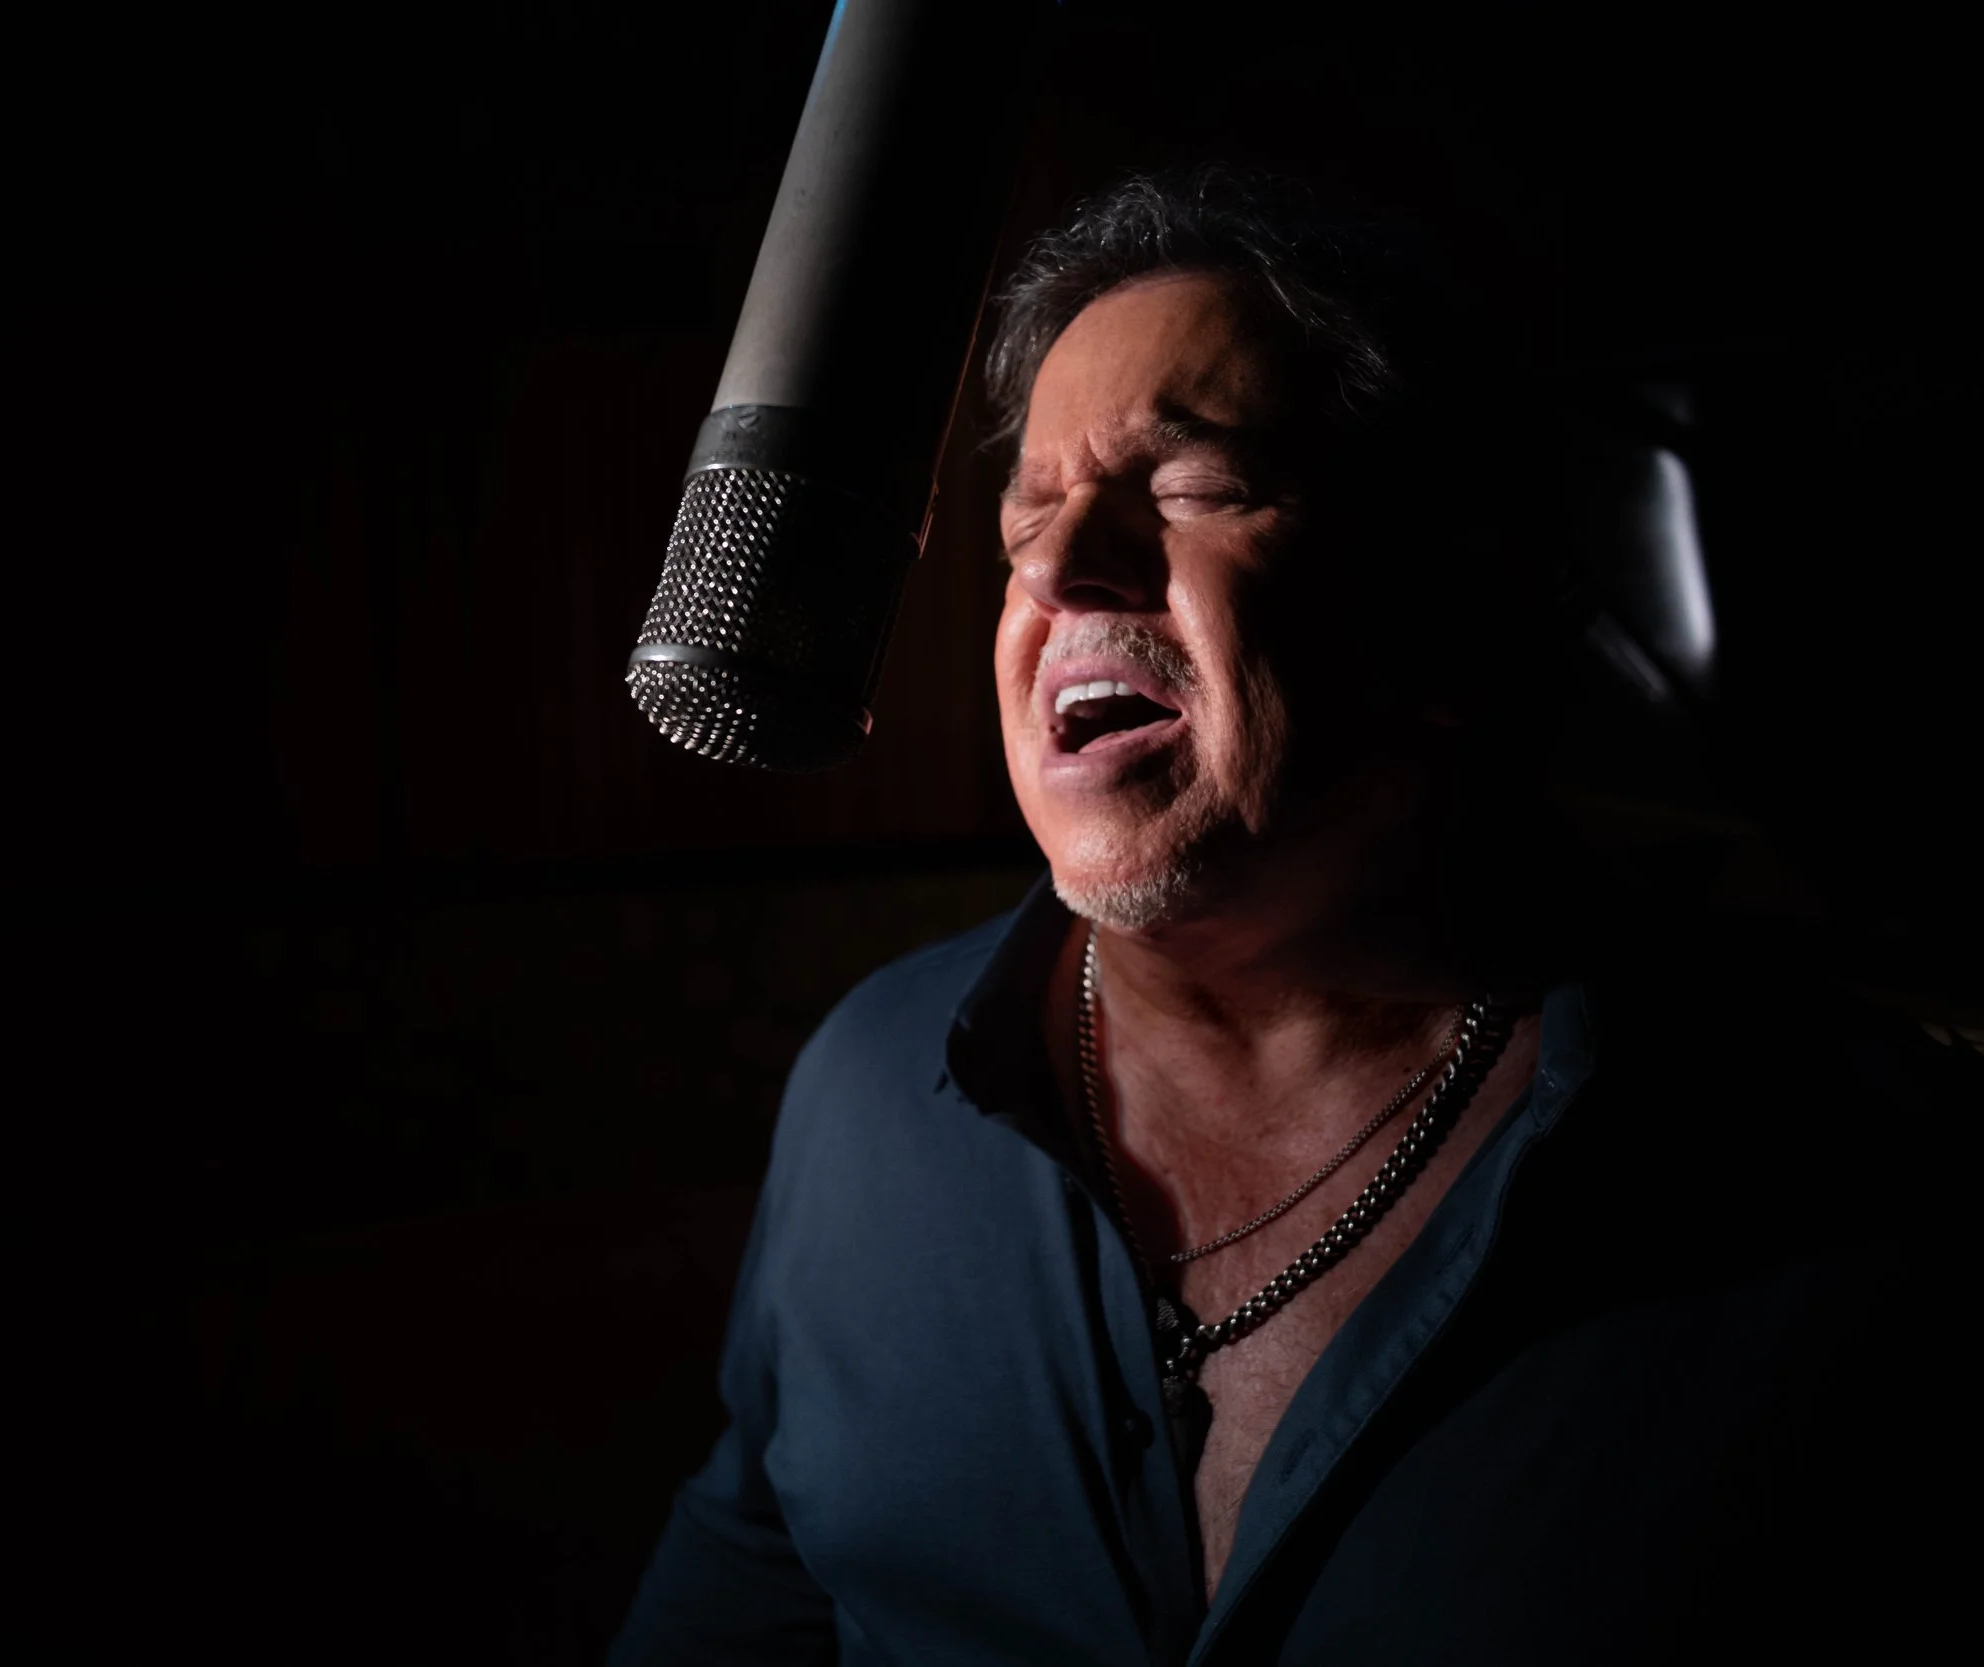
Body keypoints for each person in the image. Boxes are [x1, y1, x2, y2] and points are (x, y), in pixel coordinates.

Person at [610, 168, 1977, 1664]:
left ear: (1453, 606)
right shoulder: (866, 1092)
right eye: (1023, 527)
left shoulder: (1855, 1173)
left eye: (1195, 491)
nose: (1065, 569)